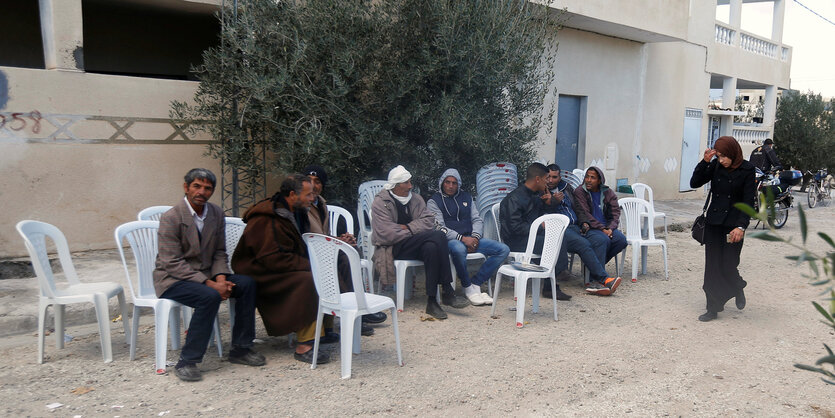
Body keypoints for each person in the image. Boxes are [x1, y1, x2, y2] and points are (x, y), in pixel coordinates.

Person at [154, 168, 264, 382]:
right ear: (186, 187)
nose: (202, 192)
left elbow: (219, 252)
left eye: (207, 188)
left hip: (208, 275)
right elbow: (171, 262)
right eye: (197, 186)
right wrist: (210, 284)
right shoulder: (172, 217)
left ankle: (241, 349)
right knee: (208, 296)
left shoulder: (215, 213)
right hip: (173, 279)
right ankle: (188, 360)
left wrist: (221, 279)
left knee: (247, 284)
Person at [232, 174, 340, 365]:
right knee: (308, 280)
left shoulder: (297, 211)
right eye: (308, 195)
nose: (312, 199)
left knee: (332, 266)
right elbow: (271, 258)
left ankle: (325, 330)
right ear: (292, 194)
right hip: (262, 273)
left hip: (282, 267)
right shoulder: (266, 217)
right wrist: (311, 265)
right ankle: (305, 346)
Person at [371, 165, 469, 319]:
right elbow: (385, 233)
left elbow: (429, 221)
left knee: (431, 247)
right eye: (406, 183)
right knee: (438, 236)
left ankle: (432, 302)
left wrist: (407, 228)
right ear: (395, 185)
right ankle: (447, 291)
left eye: (410, 182)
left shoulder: (415, 199)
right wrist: (414, 230)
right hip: (392, 247)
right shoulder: (380, 202)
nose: (410, 186)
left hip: (416, 244)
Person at [303, 164, 386, 327]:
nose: (313, 185)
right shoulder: (301, 206)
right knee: (346, 256)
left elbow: (321, 234)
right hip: (308, 255)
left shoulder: (321, 204)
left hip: (322, 250)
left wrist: (340, 239)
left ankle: (359, 309)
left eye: (317, 181)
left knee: (351, 251)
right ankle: (356, 313)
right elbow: (308, 237)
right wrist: (337, 241)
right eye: (309, 180)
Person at [690, 136, 755, 322]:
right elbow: (694, 183)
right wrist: (705, 162)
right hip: (714, 224)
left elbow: (748, 202)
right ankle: (712, 308)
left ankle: (737, 286)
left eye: (725, 156)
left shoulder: (748, 170)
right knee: (712, 267)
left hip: (733, 226)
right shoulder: (716, 165)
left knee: (728, 263)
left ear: (734, 153)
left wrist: (741, 226)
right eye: (719, 155)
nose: (723, 160)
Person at [426, 168, 510, 305]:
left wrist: (475, 237)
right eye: (447, 182)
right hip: (451, 241)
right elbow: (439, 227)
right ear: (442, 183)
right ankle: (467, 286)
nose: (451, 186)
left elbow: (477, 219)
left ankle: (476, 283)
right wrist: (462, 239)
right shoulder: (434, 201)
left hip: (472, 238)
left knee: (503, 249)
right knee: (459, 250)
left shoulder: (466, 197)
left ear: (458, 184)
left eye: (454, 183)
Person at [498, 162, 572, 301]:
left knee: (559, 234)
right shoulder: (514, 198)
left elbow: (541, 214)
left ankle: (553, 280)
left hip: (531, 236)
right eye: (545, 179)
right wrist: (539, 226)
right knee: (551, 241)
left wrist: (549, 203)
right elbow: (514, 228)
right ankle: (557, 275)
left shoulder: (535, 195)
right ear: (537, 179)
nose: (548, 182)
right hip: (516, 241)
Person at [544, 164, 621, 295]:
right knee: (584, 244)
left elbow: (578, 208)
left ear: (559, 177)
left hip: (577, 225)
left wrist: (584, 222)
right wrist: (554, 202)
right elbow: (542, 212)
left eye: (554, 177)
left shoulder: (566, 188)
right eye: (548, 177)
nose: (551, 180)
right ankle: (603, 279)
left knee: (600, 239)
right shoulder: (543, 191)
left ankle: (592, 275)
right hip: (561, 229)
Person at [572, 166, 628, 277]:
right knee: (603, 240)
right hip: (589, 227)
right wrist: (602, 229)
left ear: (599, 180)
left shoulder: (608, 192)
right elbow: (585, 214)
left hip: (607, 227)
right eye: (587, 177)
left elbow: (615, 213)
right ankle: (595, 277)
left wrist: (610, 228)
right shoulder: (580, 192)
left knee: (621, 240)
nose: (588, 180)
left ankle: (592, 266)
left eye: (592, 178)